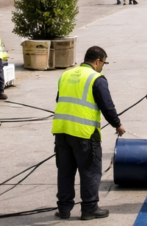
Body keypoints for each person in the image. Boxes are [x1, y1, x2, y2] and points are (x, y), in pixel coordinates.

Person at [53, 46, 125, 220]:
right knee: (90, 171)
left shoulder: (66, 75)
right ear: (98, 61)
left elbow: (59, 99)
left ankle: (64, 208)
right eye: (103, 63)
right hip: (84, 133)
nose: (102, 67)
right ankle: (90, 208)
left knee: (65, 171)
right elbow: (107, 106)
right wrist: (117, 125)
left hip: (62, 131)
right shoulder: (96, 79)